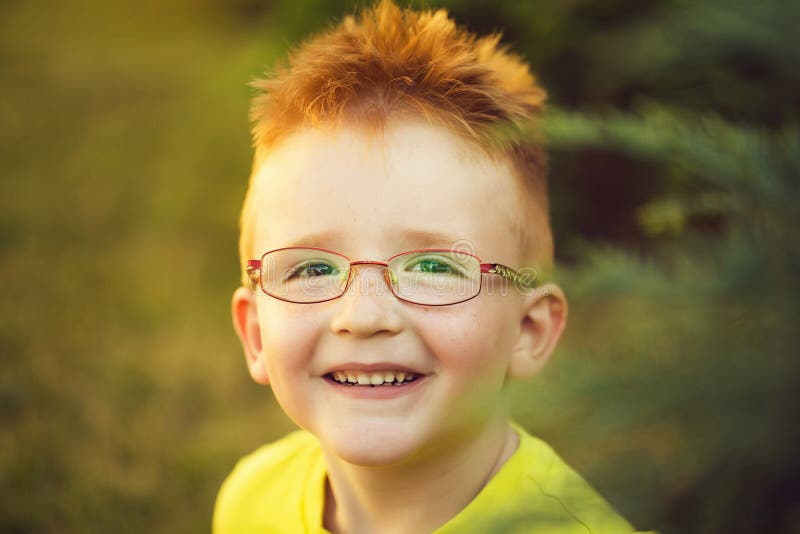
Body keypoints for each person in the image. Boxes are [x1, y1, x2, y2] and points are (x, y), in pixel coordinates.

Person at [215, 1, 639, 532]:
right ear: (255, 334)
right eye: (313, 270)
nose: (364, 316)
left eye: (434, 267)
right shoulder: (251, 499)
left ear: (528, 330)